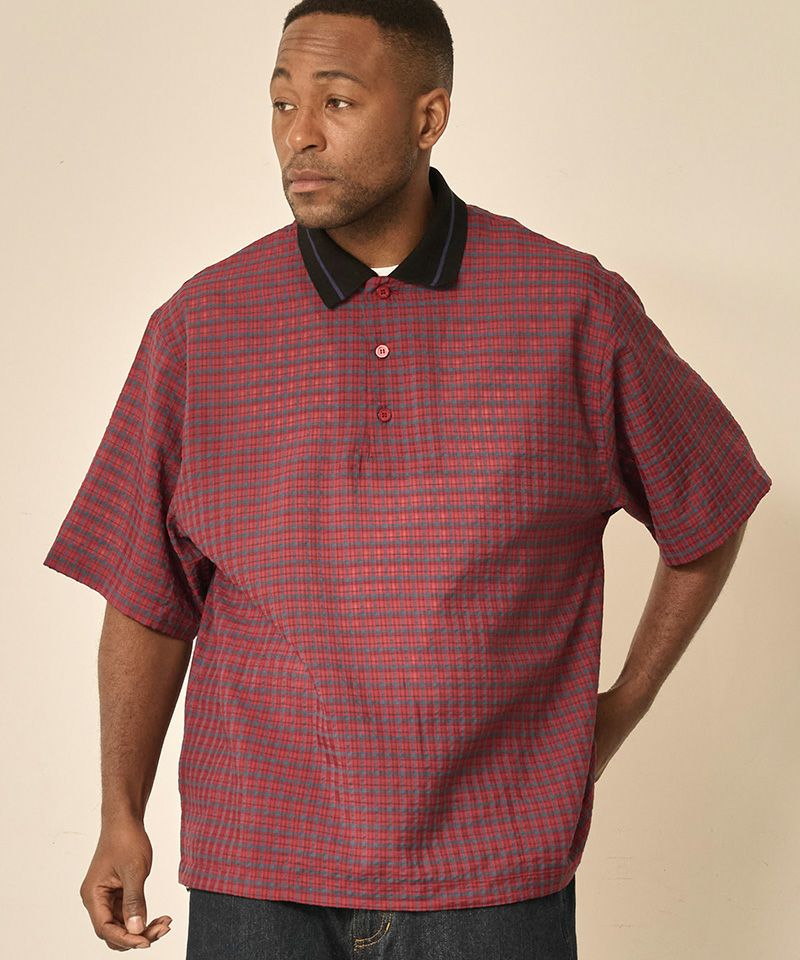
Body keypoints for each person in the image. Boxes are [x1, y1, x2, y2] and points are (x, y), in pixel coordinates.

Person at [42, 0, 772, 957]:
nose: (299, 134)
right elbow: (148, 592)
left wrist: (614, 715)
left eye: (337, 101)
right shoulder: (201, 326)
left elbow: (710, 507)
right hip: (257, 868)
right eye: (281, 102)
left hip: (494, 871)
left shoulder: (571, 308)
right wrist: (120, 812)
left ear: (429, 118)